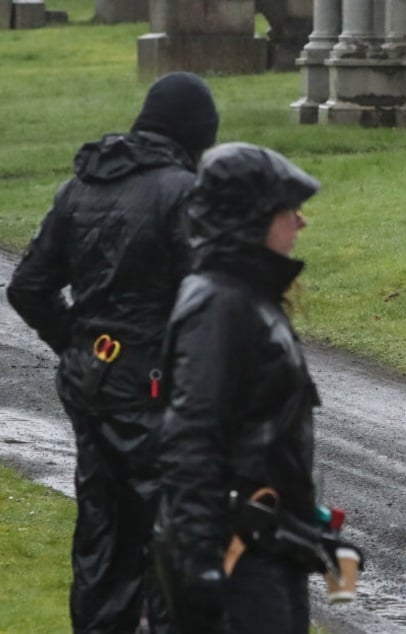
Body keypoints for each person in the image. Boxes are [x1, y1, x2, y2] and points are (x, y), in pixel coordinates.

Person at [6, 72, 219, 633]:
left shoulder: (80, 188)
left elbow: (27, 286)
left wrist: (82, 344)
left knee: (102, 531)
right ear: (194, 135)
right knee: (169, 534)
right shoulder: (182, 193)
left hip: (92, 382)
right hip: (154, 389)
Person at [151, 143, 326, 634]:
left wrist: (305, 525)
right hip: (238, 556)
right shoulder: (220, 305)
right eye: (289, 210)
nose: (301, 222)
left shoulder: (244, 295)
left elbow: (265, 435)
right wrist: (200, 561)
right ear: (253, 219)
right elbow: (191, 437)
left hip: (267, 548)